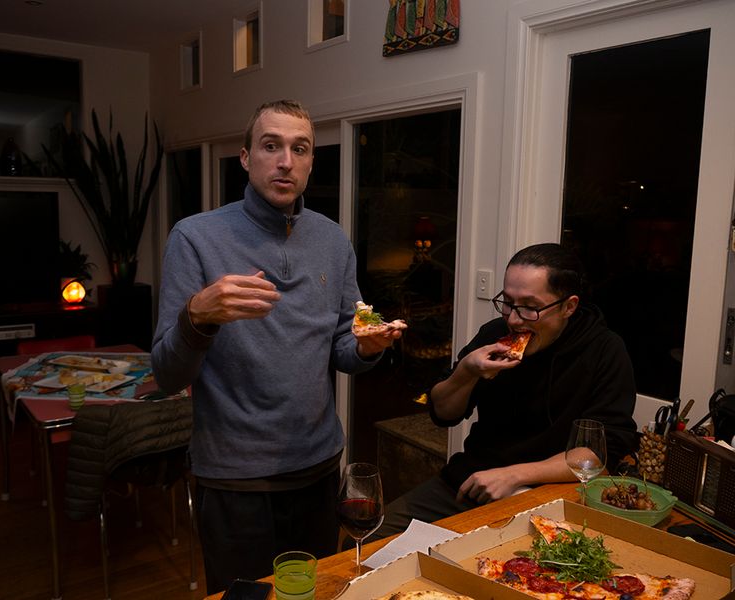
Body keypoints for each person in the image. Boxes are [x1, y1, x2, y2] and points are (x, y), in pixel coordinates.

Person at [151, 99, 402, 594]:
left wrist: (370, 349)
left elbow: (341, 350)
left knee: (309, 592)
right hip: (234, 477)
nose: (285, 160)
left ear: (310, 162)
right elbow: (167, 375)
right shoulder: (195, 238)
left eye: (299, 148)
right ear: (245, 157)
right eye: (271, 146)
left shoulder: (332, 240)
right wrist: (196, 317)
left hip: (317, 467)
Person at [373, 242, 638, 539]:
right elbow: (444, 414)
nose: (513, 318)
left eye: (530, 307)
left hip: (550, 498)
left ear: (569, 306)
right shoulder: (494, 334)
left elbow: (598, 454)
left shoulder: (604, 350)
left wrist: (514, 475)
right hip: (470, 485)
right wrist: (467, 372)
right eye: (508, 302)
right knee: (370, 540)